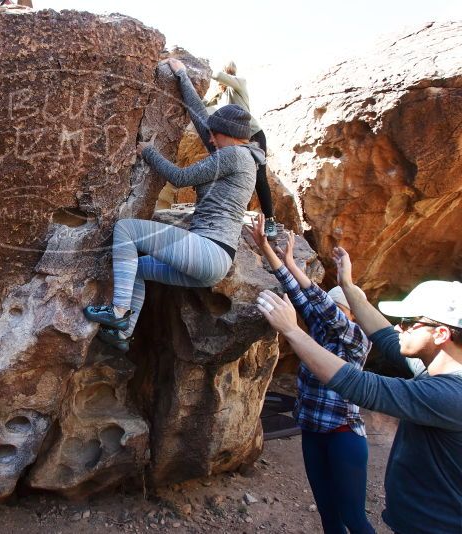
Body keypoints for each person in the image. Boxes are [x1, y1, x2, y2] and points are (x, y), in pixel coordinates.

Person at [256, 247, 462, 534]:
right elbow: (385, 335)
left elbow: (362, 386)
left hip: (435, 528)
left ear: (441, 334)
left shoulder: (451, 395)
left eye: (408, 323)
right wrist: (348, 286)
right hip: (416, 523)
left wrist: (291, 331)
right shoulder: (434, 369)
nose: (399, 329)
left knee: (352, 517)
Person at [83, 57, 264, 351]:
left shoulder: (233, 157)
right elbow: (203, 122)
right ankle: (123, 334)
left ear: (229, 136)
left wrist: (149, 152)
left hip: (207, 250)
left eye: (216, 136)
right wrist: (182, 76)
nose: (210, 140)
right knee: (137, 268)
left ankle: (117, 312)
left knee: (126, 230)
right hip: (213, 262)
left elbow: (179, 178)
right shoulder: (238, 155)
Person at [250, 217, 374, 534]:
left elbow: (321, 305)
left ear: (352, 313)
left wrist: (294, 262)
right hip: (313, 434)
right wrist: (267, 249)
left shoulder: (357, 339)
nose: (331, 311)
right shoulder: (319, 331)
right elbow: (300, 294)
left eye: (340, 308)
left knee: (353, 519)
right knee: (329, 519)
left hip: (343, 437)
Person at [205, 61, 277, 237]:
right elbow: (206, 105)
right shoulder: (220, 95)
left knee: (259, 177)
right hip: (233, 139)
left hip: (253, 135)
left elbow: (218, 76)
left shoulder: (240, 84)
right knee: (229, 172)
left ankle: (270, 221)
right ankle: (227, 215)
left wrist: (202, 68)